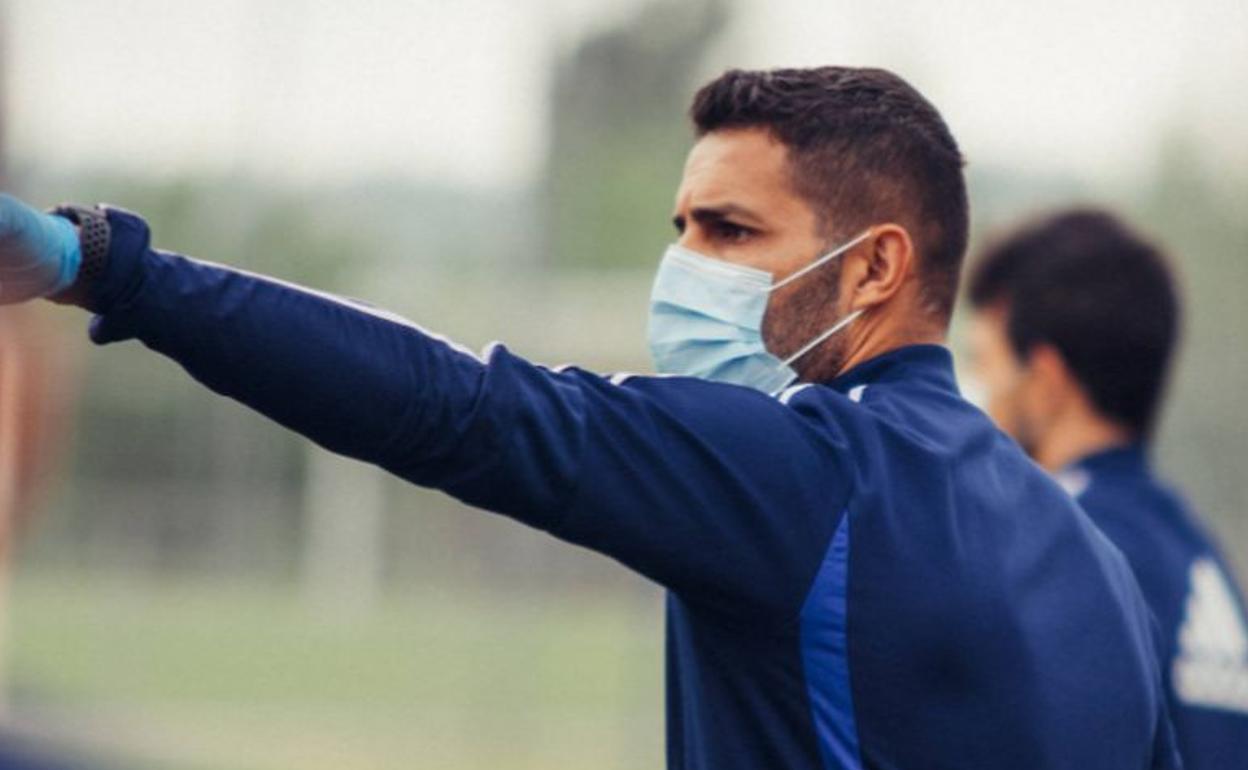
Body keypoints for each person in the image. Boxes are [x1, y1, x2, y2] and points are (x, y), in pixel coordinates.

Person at [0, 67, 1178, 769]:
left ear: (874, 270)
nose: (685, 269)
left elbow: (460, 409)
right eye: (681, 232)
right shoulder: (1101, 563)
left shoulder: (807, 473)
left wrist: (107, 265)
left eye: (729, 232)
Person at [967, 208, 1248, 769]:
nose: (976, 398)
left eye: (985, 365)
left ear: (1045, 379)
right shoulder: (1192, 548)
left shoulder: (1060, 545)